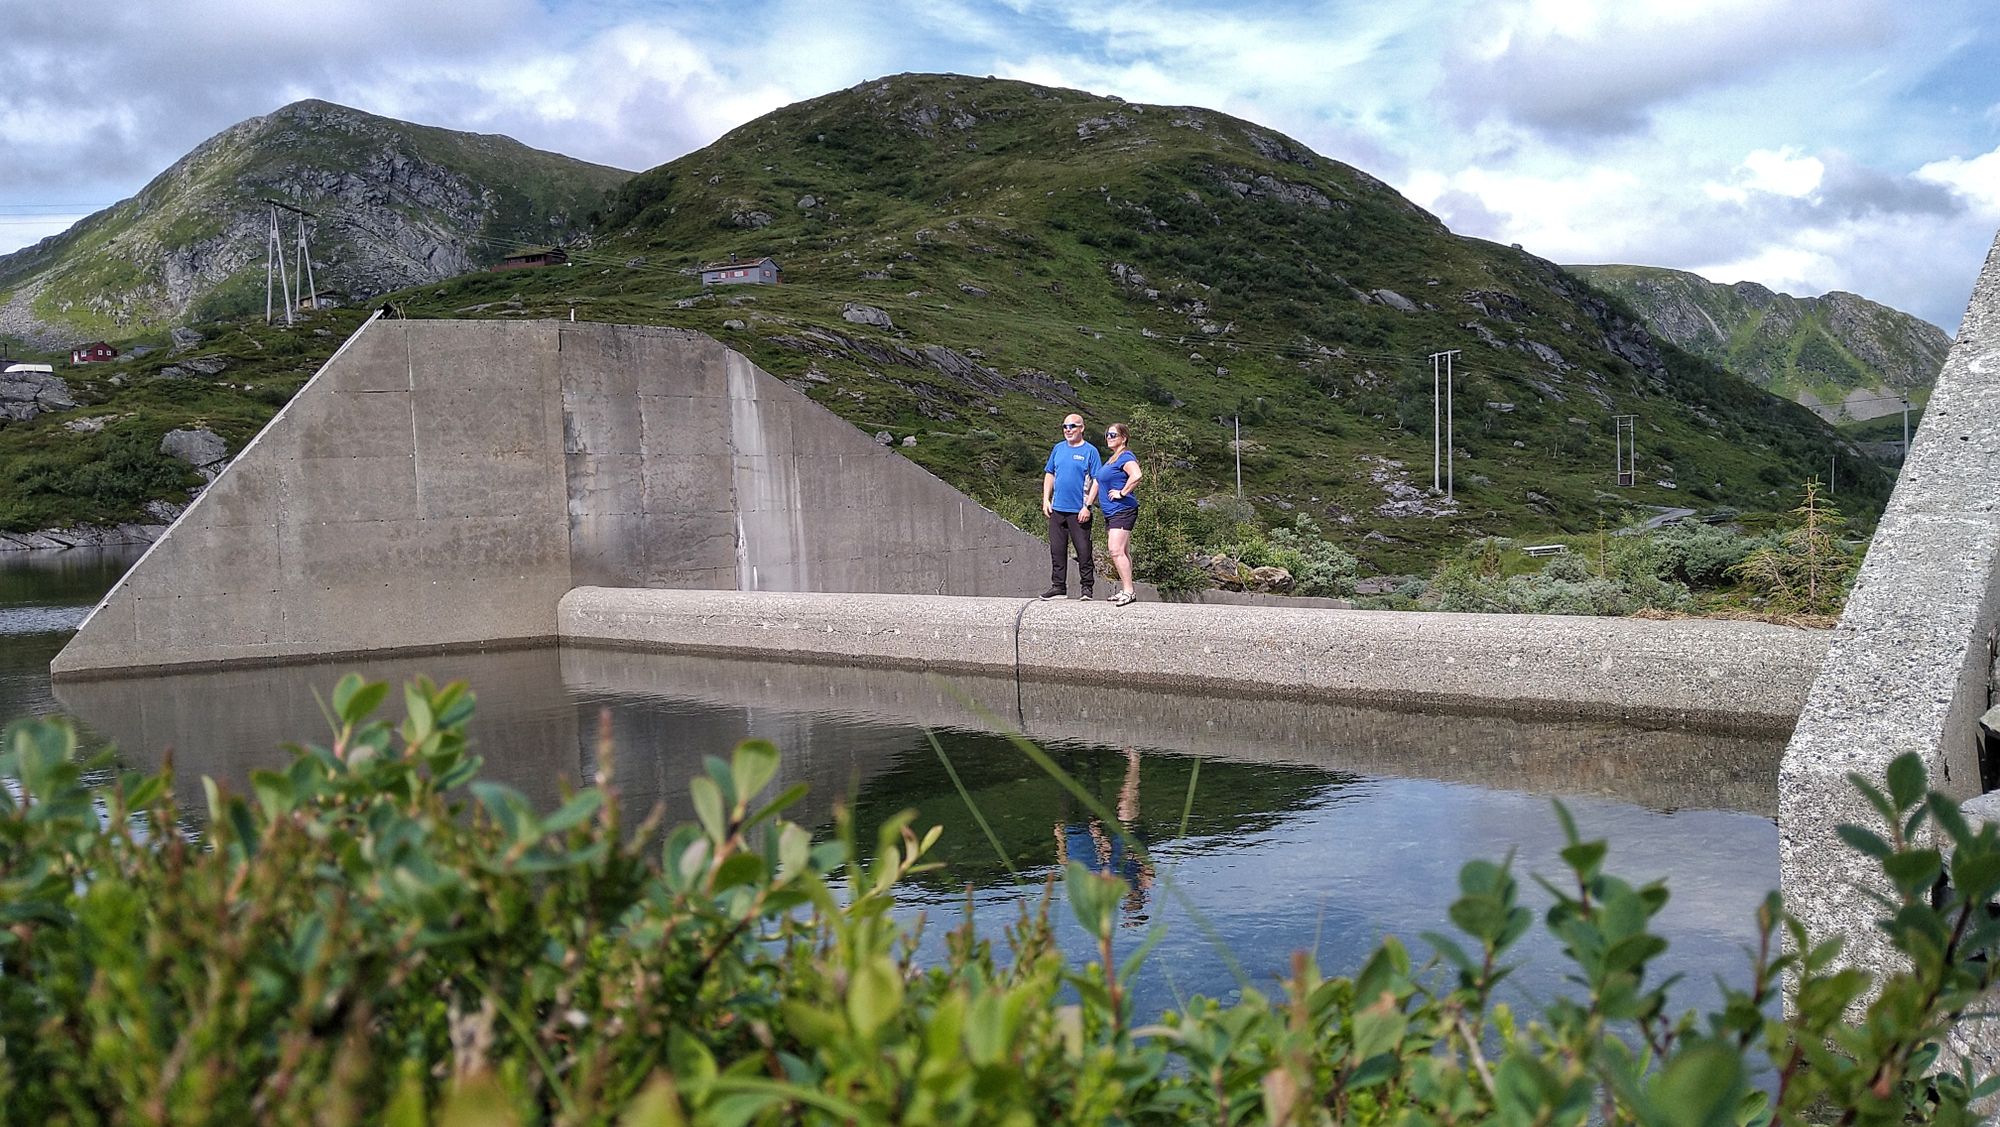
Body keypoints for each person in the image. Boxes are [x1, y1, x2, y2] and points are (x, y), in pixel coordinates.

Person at [1041, 413, 1101, 599]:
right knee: (1057, 550)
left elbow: (1097, 479)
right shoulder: (1058, 449)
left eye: (1073, 426)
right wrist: (1045, 499)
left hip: (1079, 511)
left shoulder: (1090, 451)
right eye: (1065, 426)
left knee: (1083, 550)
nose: (1068, 430)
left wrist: (1088, 506)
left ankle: (1087, 589)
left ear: (1082, 428)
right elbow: (1050, 474)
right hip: (1058, 509)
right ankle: (1058, 587)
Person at [1094, 422, 1144, 606]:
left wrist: (1122, 492)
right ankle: (1126, 589)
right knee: (1123, 551)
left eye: (1113, 435)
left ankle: (1129, 591)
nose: (1109, 437)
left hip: (1122, 510)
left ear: (1123, 438)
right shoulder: (1113, 459)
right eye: (1107, 434)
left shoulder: (1126, 456)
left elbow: (1137, 475)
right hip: (1112, 512)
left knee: (1115, 550)